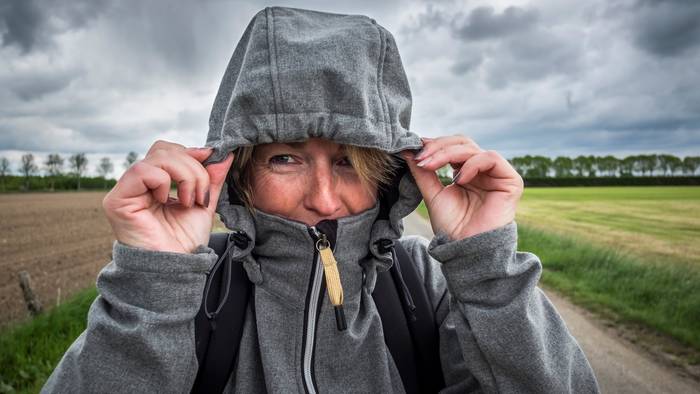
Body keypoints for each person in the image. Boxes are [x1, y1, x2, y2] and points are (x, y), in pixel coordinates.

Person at [43, 6, 599, 394]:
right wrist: (154, 282)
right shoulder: (189, 294)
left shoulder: (423, 289)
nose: (325, 199)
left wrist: (485, 263)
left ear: (385, 173)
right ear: (239, 172)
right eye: (285, 158)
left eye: (349, 161)